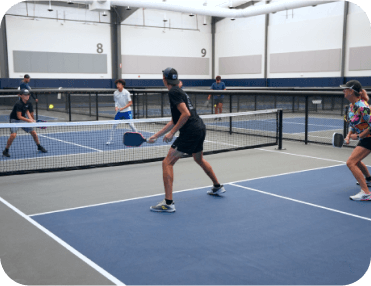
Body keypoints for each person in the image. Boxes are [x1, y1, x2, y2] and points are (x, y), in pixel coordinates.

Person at [147, 67, 225, 213]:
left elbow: (186, 114)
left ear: (164, 79)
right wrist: (157, 135)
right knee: (199, 159)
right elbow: (174, 119)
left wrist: (172, 133)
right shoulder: (179, 90)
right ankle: (217, 186)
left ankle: (168, 203)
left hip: (190, 132)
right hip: (199, 128)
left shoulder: (173, 92)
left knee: (167, 163)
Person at [341, 80, 371, 200]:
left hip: (369, 138)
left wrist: (359, 136)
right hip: (365, 137)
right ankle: (368, 179)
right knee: (356, 161)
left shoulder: (363, 107)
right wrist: (349, 135)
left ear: (351, 91)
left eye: (345, 89)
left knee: (351, 163)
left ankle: (366, 192)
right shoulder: (352, 106)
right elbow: (353, 124)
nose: (343, 90)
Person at [2, 89, 47, 157]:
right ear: (21, 96)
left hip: (23, 119)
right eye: (25, 95)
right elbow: (19, 116)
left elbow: (27, 111)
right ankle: (6, 150)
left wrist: (31, 119)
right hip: (15, 120)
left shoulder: (28, 103)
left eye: (28, 95)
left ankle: (39, 146)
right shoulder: (18, 104)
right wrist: (29, 120)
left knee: (34, 133)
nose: (27, 96)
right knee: (13, 135)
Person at [106, 79, 137, 145]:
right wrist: (116, 107)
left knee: (131, 125)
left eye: (119, 84)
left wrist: (123, 108)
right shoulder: (115, 93)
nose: (117, 85)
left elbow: (130, 103)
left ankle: (138, 136)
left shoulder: (126, 92)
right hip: (119, 112)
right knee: (114, 126)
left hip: (127, 112)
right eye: (117, 84)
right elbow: (116, 102)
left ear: (122, 85)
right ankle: (109, 140)